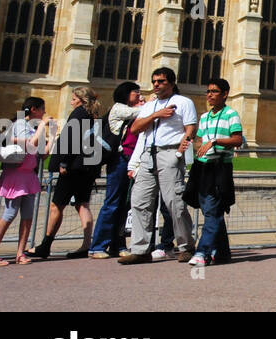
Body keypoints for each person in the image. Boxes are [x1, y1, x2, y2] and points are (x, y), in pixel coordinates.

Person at [119, 67, 198, 264]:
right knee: (140, 202)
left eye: (161, 81)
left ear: (171, 83)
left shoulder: (183, 102)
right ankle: (140, 249)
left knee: (174, 202)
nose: (156, 84)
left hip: (170, 152)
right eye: (154, 81)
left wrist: (182, 146)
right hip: (148, 154)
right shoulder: (150, 106)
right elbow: (136, 128)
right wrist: (156, 115)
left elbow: (191, 128)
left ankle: (186, 246)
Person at [28, 86, 103, 260]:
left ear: (81, 99)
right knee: (82, 204)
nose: (71, 101)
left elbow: (72, 139)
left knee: (57, 205)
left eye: (74, 98)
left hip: (73, 167)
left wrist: (64, 162)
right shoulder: (93, 115)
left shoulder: (78, 114)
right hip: (88, 167)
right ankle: (86, 245)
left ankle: (45, 246)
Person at [183, 78, 243, 267]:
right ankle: (223, 253)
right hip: (202, 167)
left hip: (220, 167)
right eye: (208, 91)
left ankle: (203, 251)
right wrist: (191, 145)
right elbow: (201, 141)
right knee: (211, 209)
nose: (209, 95)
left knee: (212, 210)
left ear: (225, 94)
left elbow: (237, 140)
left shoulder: (231, 114)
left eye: (214, 91)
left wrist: (216, 141)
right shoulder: (204, 117)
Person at [88, 82, 142, 258]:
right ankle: (97, 246)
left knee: (123, 205)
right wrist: (152, 105)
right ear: (126, 94)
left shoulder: (127, 109)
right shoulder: (119, 108)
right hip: (118, 160)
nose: (139, 95)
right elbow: (141, 112)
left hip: (128, 160)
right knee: (112, 203)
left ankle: (117, 244)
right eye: (136, 92)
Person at [0, 97, 51, 266]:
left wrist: (52, 138)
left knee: (27, 217)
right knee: (9, 214)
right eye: (42, 109)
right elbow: (29, 145)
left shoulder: (33, 128)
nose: (44, 112)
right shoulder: (20, 124)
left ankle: (20, 253)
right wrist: (42, 126)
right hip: (15, 175)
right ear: (34, 110)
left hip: (29, 176)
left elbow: (42, 153)